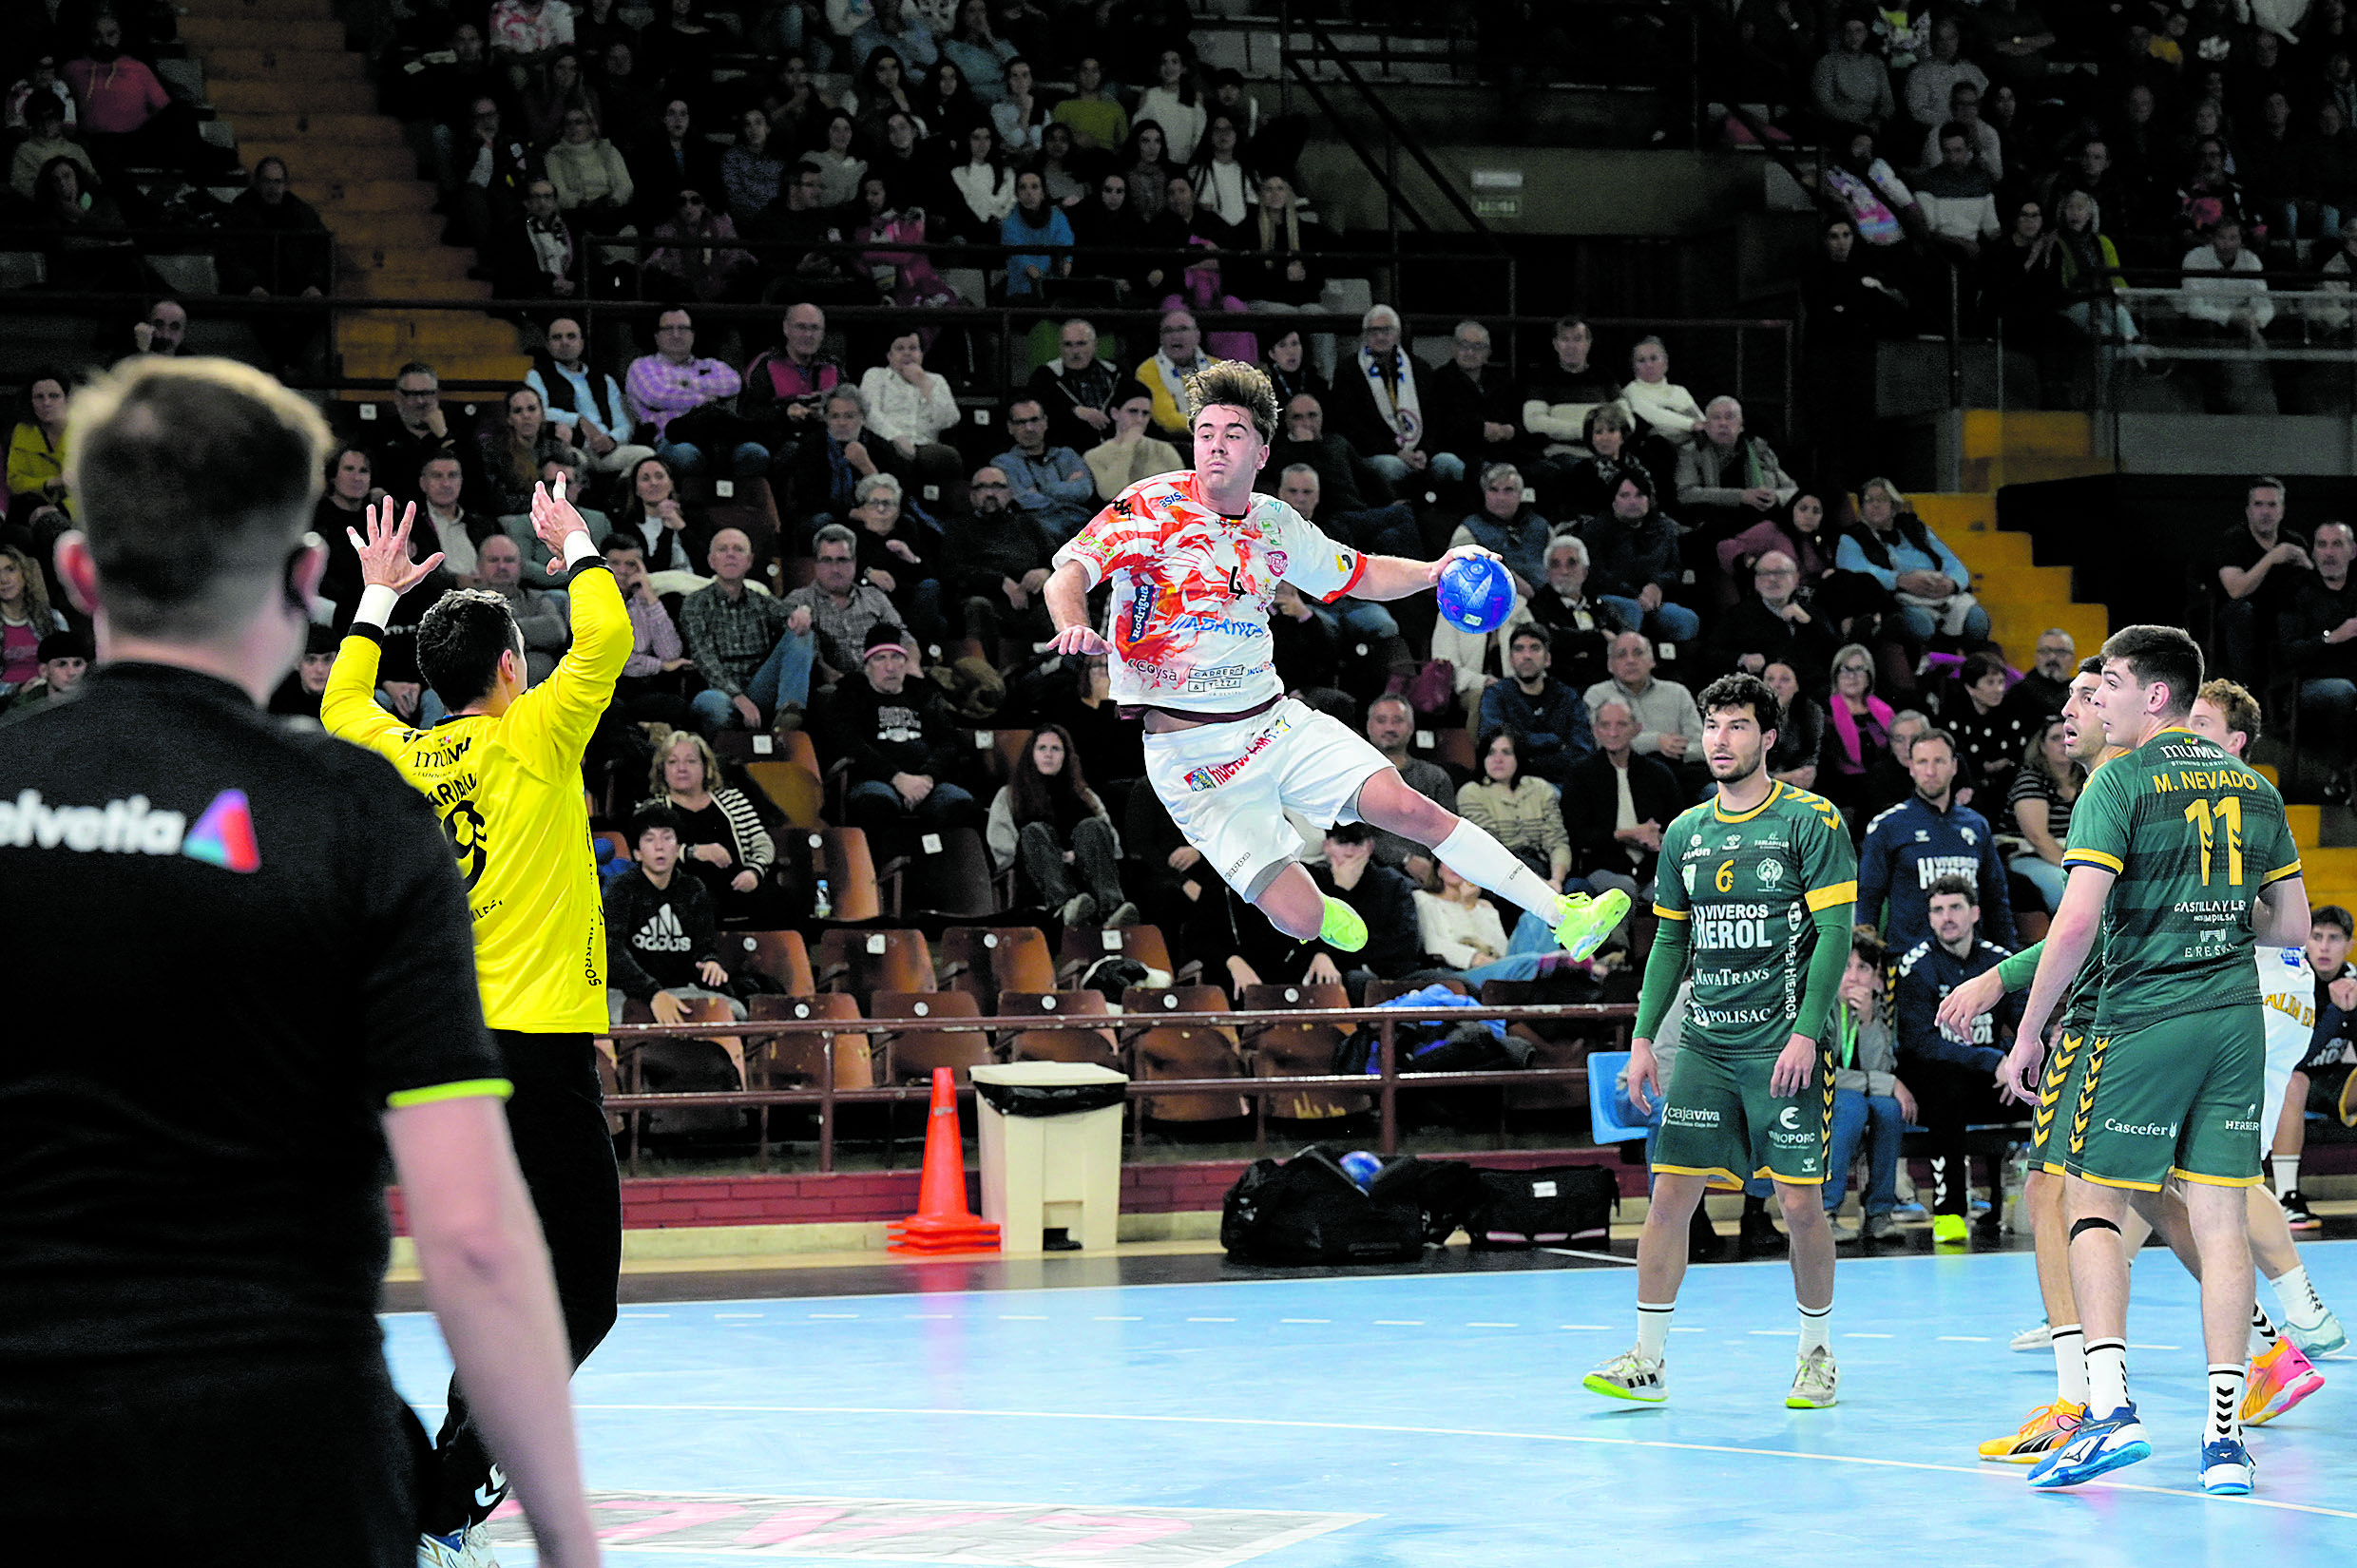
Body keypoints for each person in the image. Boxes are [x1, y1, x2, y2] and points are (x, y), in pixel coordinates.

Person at [2, 357, 599, 1565]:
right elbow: (472, 1233)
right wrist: (567, 1539)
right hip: (285, 1454)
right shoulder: (351, 816)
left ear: (76, 574)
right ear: (300, 577)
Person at [1042, 357, 1629, 966]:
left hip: (1273, 724)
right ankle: (1320, 913)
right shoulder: (1150, 505)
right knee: (1294, 914)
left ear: (1261, 453)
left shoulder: (1273, 524)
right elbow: (1069, 574)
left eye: (1233, 434)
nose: (1215, 447)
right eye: (1206, 433)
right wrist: (1074, 625)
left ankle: (1565, 915)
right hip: (1192, 762)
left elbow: (1364, 572)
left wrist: (1434, 572)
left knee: (1408, 806)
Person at [319, 473, 626, 1561]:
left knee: (507, 1275)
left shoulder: (403, 756)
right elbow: (611, 633)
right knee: (581, 1295)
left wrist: (373, 600)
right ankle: (451, 1490)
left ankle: (446, 1470)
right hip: (538, 1055)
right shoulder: (536, 734)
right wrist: (577, 544)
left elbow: (340, 709)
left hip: (443, 1058)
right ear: (510, 667)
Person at [1992, 626, 2307, 1493]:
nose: (2099, 699)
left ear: (2154, 696)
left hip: (2146, 1019)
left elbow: (2079, 921)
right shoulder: (2254, 787)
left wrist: (2028, 1030)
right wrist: (2210, 911)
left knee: (2091, 1197)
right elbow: (2288, 929)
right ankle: (2224, 1444)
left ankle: (2112, 1409)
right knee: (2218, 1217)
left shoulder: (2119, 781)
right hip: (2235, 1021)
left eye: (2112, 684)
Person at [1582, 674, 1857, 1411]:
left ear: (1768, 738)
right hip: (1706, 1042)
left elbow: (1834, 935)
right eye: (1711, 724)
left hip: (1784, 1044)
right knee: (1670, 1194)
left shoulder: (1812, 821)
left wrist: (1807, 1034)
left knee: (1800, 1206)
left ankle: (1817, 1354)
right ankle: (1647, 1359)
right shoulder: (1684, 833)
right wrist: (1643, 1039)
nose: (1719, 739)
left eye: (1737, 726)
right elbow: (1671, 944)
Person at [1892, 873, 2020, 1246]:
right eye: (1937, 910)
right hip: (1934, 1079)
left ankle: (2042, 1201)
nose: (1946, 917)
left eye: (1955, 908)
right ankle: (1948, 1212)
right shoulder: (1915, 966)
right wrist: (1991, 1060)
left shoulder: (2000, 962)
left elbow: (2027, 1020)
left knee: (2044, 1085)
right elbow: (1921, 1043)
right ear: (1929, 918)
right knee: (1946, 1085)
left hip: (1990, 1076)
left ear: (1975, 912)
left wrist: (2014, 1066)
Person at [1857, 726, 2018, 952]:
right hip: (1908, 964)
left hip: (1970, 962)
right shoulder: (1887, 826)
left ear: (1954, 766)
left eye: (1939, 761)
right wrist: (1866, 960)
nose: (1930, 771)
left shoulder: (1976, 825)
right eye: (1922, 762)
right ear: (1911, 768)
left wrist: (2008, 959)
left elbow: (1996, 900)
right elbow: (1868, 900)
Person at [816, 621, 980, 838]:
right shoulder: (851, 694)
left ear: (905, 663)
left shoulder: (922, 694)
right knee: (876, 806)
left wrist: (927, 779)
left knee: (962, 806)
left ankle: (944, 870)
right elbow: (850, 742)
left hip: (926, 783)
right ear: (867, 666)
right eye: (880, 658)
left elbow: (947, 741)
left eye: (896, 657)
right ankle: (884, 871)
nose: (890, 666)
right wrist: (896, 777)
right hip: (875, 779)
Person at [604, 801, 746, 1027]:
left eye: (667, 838)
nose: (659, 847)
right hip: (628, 990)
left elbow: (705, 948)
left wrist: (709, 963)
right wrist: (653, 994)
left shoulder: (693, 888)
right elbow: (611, 951)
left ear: (678, 846)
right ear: (637, 853)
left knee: (735, 1012)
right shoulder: (621, 888)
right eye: (650, 839)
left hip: (679, 989)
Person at [987, 723, 1137, 926]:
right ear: (1031, 754)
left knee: (1092, 826)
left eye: (1055, 749)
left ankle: (1112, 910)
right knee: (1033, 831)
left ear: (1066, 755)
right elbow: (1002, 847)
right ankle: (1065, 907)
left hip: (1083, 870)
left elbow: (1113, 844)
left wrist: (1078, 855)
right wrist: (1053, 857)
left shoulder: (1085, 795)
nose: (1049, 754)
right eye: (1042, 748)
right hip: (1036, 875)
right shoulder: (1009, 795)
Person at [1824, 927, 1913, 1242]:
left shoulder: (1877, 1005)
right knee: (1851, 1104)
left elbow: (1881, 1066)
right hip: (1820, 1096)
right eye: (1846, 966)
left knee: (1889, 1108)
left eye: (1863, 968)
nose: (1853, 976)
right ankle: (1826, 1211)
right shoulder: (1821, 1005)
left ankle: (1879, 1212)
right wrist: (1887, 1082)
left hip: (1858, 1095)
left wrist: (1867, 1021)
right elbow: (1827, 1073)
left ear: (1875, 975)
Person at [641, 727, 780, 924]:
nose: (681, 768)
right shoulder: (653, 809)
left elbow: (762, 842)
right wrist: (694, 852)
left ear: (705, 767)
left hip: (740, 884)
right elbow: (648, 853)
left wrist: (754, 872)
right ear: (662, 770)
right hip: (684, 891)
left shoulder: (733, 800)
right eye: (673, 762)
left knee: (781, 899)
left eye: (690, 761)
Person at [1835, 477, 1987, 645]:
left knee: (1978, 622)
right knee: (1922, 626)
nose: (1875, 505)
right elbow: (1855, 570)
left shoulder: (1916, 529)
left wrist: (1951, 584)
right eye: (1869, 500)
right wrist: (1900, 580)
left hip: (1941, 593)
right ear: (1862, 509)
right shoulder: (1851, 538)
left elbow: (1954, 563)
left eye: (1882, 499)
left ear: (1894, 506)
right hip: (1900, 599)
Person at [1562, 696, 1682, 905]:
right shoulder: (1581, 774)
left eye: (1621, 725)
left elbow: (1680, 827)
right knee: (1622, 893)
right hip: (1603, 867)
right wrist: (1628, 834)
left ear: (1636, 728)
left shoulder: (1659, 773)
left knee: (1668, 892)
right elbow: (1577, 834)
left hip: (1654, 869)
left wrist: (1660, 839)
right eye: (1605, 725)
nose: (1613, 732)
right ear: (1595, 730)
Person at [625, 306, 770, 479]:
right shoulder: (642, 366)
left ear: (693, 334)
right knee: (687, 457)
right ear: (657, 335)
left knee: (756, 453)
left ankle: (735, 505)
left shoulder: (710, 365)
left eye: (683, 328)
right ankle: (693, 505)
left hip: (719, 437)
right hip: (671, 438)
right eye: (668, 329)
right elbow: (658, 396)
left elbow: (733, 383)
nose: (676, 334)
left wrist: (682, 384)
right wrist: (704, 398)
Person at [680, 527, 796, 732]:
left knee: (800, 632)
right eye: (723, 549)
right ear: (711, 561)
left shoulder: (761, 601)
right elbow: (704, 658)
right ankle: (725, 761)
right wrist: (738, 697)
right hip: (719, 690)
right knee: (712, 704)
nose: (731, 554)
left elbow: (794, 619)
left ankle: (791, 713)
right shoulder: (695, 603)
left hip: (760, 685)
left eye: (738, 549)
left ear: (749, 561)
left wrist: (802, 615)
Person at [2274, 516, 2357, 795]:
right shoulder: (2297, 592)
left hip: (2350, 682)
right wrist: (2331, 638)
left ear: (2352, 551)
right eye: (2322, 545)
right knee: (2343, 691)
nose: (2329, 553)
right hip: (2304, 686)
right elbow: (2288, 653)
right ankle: (2343, 775)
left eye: (2337, 544)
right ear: (2314, 553)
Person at [1578, 470, 1698, 643]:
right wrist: (1637, 595)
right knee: (1630, 609)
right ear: (1613, 501)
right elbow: (1595, 576)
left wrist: (1657, 585)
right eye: (1625, 495)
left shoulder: (1664, 529)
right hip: (1610, 599)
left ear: (1649, 500)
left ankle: (1671, 667)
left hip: (1654, 601)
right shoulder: (1595, 530)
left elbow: (1674, 569)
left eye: (1639, 495)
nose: (1633, 501)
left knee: (1686, 619)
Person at [1327, 304, 1441, 488]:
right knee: (1390, 466)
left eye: (1386, 330)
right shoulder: (1348, 372)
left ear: (1398, 334)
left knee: (1448, 463)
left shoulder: (1420, 369)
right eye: (1374, 331)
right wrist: (1396, 451)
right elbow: (1350, 426)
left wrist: (1425, 450)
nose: (1380, 336)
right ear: (1364, 335)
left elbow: (1434, 417)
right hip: (1376, 453)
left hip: (1421, 451)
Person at [529, 316, 656, 481]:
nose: (564, 342)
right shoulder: (536, 375)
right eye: (557, 337)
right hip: (569, 447)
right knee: (569, 461)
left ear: (582, 343)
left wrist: (612, 440)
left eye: (571, 336)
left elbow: (623, 424)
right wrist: (577, 419)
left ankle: (618, 496)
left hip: (604, 449)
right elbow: (537, 412)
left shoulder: (604, 379)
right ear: (547, 344)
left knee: (646, 455)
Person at [940, 465, 1054, 644]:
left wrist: (1045, 572)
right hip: (985, 600)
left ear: (1009, 493)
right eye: (982, 487)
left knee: (1059, 604)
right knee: (978, 606)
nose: (990, 493)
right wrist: (999, 582)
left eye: (997, 487)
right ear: (972, 495)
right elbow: (951, 572)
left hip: (1033, 601)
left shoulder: (1029, 524)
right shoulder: (957, 528)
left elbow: (1059, 560)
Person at [2213, 475, 2309, 688]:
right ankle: (2246, 693)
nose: (2265, 512)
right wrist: (2272, 558)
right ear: (2248, 510)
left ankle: (2293, 694)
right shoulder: (2234, 540)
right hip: (2240, 620)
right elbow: (2236, 590)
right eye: (2259, 505)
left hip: (2281, 621)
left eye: (2272, 505)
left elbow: (2315, 589)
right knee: (2242, 611)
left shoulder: (2294, 542)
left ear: (2282, 510)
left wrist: (2306, 564)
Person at [1477, 622, 1595, 787]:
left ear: (1548, 659)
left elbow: (1581, 752)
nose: (1527, 656)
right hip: (1511, 784)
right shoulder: (1496, 695)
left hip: (1560, 785)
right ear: (1511, 659)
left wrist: (1527, 757)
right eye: (1519, 649)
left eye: (1535, 648)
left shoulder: (1567, 697)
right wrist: (1553, 741)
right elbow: (1495, 744)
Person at [1455, 727, 1572, 889]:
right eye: (1491, 752)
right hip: (1501, 875)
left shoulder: (1541, 789)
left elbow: (1556, 840)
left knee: (1577, 888)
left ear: (1518, 756)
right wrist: (1538, 886)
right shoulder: (1471, 792)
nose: (1498, 759)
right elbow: (1490, 848)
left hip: (1544, 870)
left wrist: (1556, 881)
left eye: (1506, 752)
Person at [1674, 395, 1798, 546]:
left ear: (1741, 425)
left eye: (1729, 417)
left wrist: (1775, 496)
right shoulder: (1692, 451)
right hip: (1714, 525)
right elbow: (1685, 494)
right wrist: (1741, 496)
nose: (1723, 423)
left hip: (1763, 520)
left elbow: (1792, 490)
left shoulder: (1759, 450)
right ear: (1706, 426)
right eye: (1716, 418)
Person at [1583, 631, 1705, 782]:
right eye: (1621, 655)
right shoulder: (1597, 695)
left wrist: (1676, 750)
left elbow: (1702, 746)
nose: (1630, 661)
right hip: (1624, 777)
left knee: (1715, 793)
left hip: (1680, 773)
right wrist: (1657, 742)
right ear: (1610, 665)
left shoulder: (1678, 692)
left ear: (1652, 660)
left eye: (1638, 653)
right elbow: (1603, 744)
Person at [1359, 692, 1455, 882]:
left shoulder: (1435, 777)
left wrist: (1434, 871)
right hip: (1372, 874)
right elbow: (1357, 837)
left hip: (1431, 877)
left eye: (1397, 721)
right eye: (1381, 720)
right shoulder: (1357, 777)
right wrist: (1405, 860)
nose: (1389, 728)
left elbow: (1449, 833)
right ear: (1369, 727)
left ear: (1411, 727)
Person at [2006, 714, 2082, 915]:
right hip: (2032, 856)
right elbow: (2038, 838)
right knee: (2075, 893)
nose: (2063, 742)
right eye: (2055, 738)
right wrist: (2075, 871)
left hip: (2078, 856)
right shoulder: (2030, 780)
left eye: (2069, 734)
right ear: (2041, 746)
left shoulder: (2087, 778)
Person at [993, 396, 1096, 542]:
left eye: (1034, 420)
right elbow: (1022, 500)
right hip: (1037, 531)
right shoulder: (1003, 463)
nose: (1029, 428)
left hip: (1081, 524)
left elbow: (1083, 490)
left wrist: (1040, 489)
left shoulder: (1067, 455)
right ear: (1010, 428)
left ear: (1045, 422)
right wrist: (1066, 489)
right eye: (1021, 422)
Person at [1028, 319, 1122, 458]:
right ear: (1060, 347)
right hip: (1066, 455)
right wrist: (1074, 411)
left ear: (1095, 345)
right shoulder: (1044, 376)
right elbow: (1034, 413)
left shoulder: (1116, 373)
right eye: (1068, 345)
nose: (1075, 351)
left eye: (1081, 344)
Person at [1085, 382, 1185, 500]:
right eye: (1133, 411)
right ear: (1115, 413)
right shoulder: (1095, 456)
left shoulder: (1163, 449)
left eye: (1145, 413)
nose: (1139, 419)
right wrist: (1127, 447)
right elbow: (1110, 494)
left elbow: (1184, 489)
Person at [7, 368, 70, 517]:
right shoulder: (23, 431)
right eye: (39, 397)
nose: (46, 402)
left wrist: (61, 509)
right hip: (32, 508)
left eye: (54, 396)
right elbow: (15, 483)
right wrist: (50, 482)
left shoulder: (82, 432)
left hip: (76, 510)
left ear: (66, 399)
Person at [1, 626, 86, 717]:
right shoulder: (23, 709)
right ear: (44, 670)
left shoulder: (97, 695)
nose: (72, 672)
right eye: (62, 664)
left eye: (77, 664)